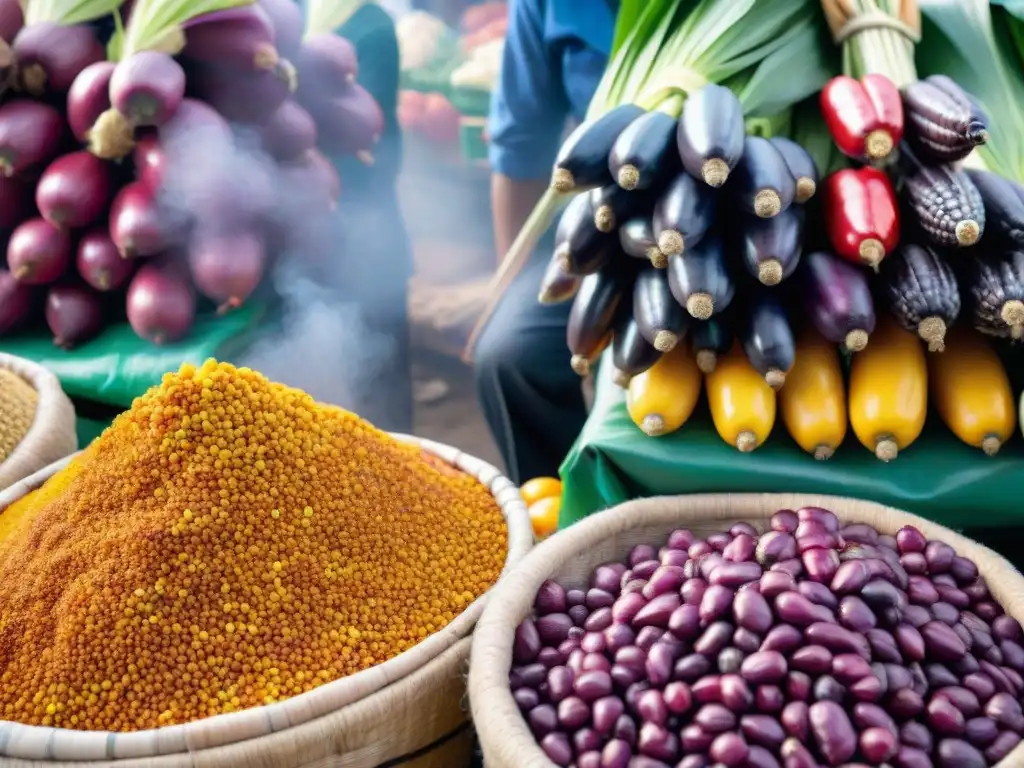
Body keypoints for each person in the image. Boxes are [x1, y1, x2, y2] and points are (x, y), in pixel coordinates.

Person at [473, 0, 617, 484]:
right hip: (607, 227)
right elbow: (520, 149)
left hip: (749, 217)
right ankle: (561, 519)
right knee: (509, 355)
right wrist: (507, 285)